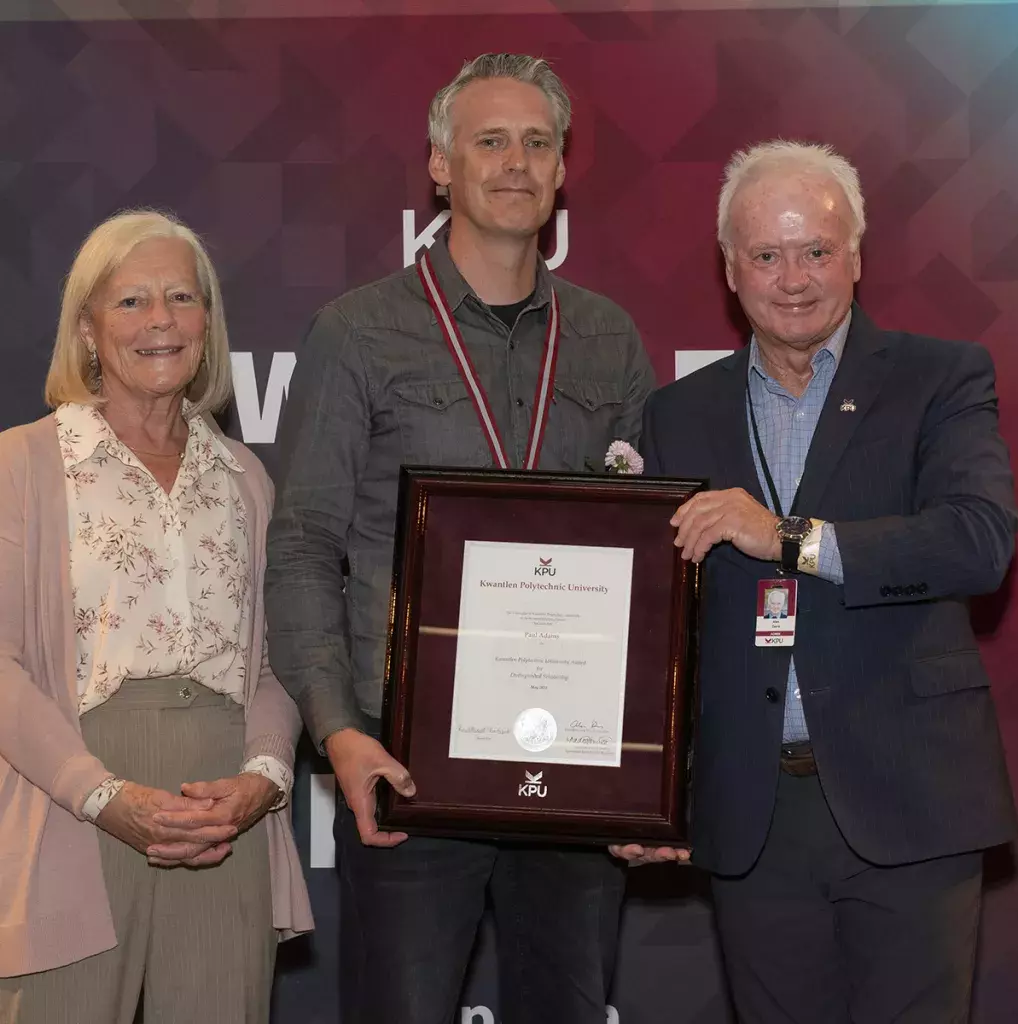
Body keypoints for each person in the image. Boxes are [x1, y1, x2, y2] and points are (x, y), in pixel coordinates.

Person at [266, 53, 657, 1024]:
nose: (516, 162)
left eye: (537, 143)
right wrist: (340, 733)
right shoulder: (356, 333)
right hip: (406, 768)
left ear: (561, 168)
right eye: (490, 141)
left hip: (574, 774)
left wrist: (649, 768)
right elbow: (304, 545)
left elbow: (648, 572)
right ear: (441, 166)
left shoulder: (610, 339)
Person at [641, 139, 1018, 1023]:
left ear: (856, 254)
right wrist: (644, 793)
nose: (794, 279)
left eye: (816, 249)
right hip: (754, 813)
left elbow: (977, 542)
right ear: (729, 268)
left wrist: (788, 539)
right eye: (767, 255)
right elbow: (660, 626)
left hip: (911, 799)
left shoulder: (939, 378)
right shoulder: (678, 414)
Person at [0, 210, 313, 1024]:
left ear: (208, 322)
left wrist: (265, 776)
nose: (160, 320)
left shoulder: (244, 479)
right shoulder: (21, 465)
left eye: (181, 296)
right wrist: (101, 795)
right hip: (70, 802)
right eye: (131, 301)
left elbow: (273, 664)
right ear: (87, 329)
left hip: (224, 818)